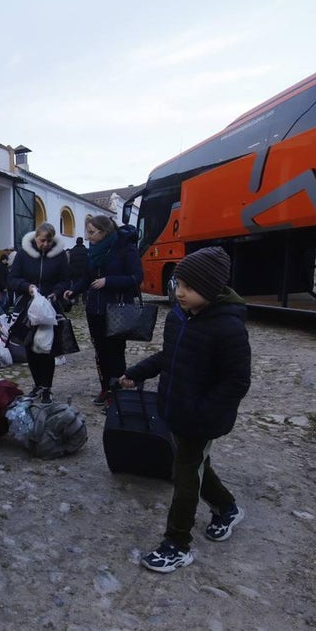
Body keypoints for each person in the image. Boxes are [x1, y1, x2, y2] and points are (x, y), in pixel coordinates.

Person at [118, 247, 251, 574]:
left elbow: (237, 381)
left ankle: (177, 544)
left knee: (185, 473)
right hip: (175, 409)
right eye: (178, 283)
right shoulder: (179, 318)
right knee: (193, 465)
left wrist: (204, 413)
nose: (179, 292)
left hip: (200, 419)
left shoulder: (228, 328)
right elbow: (167, 357)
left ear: (212, 288)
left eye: (189, 287)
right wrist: (135, 373)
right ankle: (227, 507)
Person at [64, 215, 143, 407]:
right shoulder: (93, 251)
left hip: (117, 308)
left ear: (104, 231)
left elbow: (136, 277)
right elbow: (87, 277)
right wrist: (73, 290)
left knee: (116, 352)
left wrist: (109, 281)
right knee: (100, 352)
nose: (88, 236)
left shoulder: (125, 248)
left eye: (91, 232)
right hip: (95, 310)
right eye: (88, 232)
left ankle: (117, 392)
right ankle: (105, 388)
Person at [7, 222, 70, 404]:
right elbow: (12, 280)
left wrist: (56, 293)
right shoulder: (23, 255)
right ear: (36, 238)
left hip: (50, 307)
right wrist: (27, 287)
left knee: (46, 347)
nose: (45, 244)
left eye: (49, 241)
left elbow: (65, 280)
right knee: (30, 347)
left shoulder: (59, 256)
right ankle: (37, 385)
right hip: (28, 307)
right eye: (42, 240)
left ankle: (47, 387)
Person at [67, 236, 89, 303]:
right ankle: (84, 300)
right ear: (82, 242)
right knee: (84, 284)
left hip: (74, 271)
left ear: (76, 242)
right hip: (83, 271)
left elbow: (69, 261)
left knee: (75, 285)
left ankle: (76, 300)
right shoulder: (86, 250)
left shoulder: (72, 251)